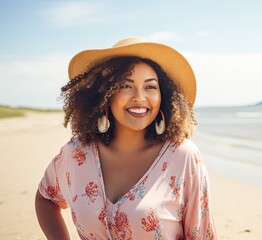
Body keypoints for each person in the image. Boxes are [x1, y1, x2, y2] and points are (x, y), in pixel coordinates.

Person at [35, 37, 217, 240]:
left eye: (150, 87)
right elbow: (46, 197)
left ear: (163, 95)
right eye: (125, 86)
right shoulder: (77, 152)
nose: (139, 97)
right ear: (106, 94)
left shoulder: (182, 156)